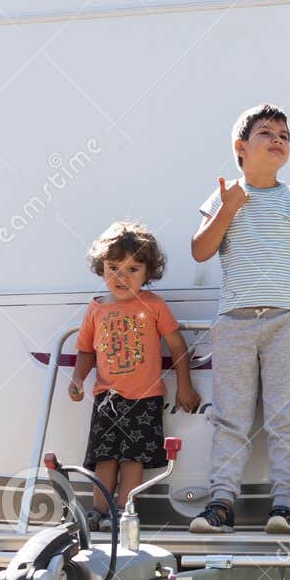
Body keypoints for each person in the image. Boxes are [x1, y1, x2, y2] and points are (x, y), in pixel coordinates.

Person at [188, 103, 290, 535]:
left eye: (284, 135)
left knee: (285, 416)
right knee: (230, 417)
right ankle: (221, 504)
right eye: (266, 132)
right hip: (234, 322)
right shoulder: (223, 200)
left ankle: (284, 506)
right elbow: (200, 251)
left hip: (289, 321)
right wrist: (228, 209)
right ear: (240, 147)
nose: (278, 139)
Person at [69, 221, 201, 531]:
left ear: (148, 272)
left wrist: (184, 385)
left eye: (132, 269)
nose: (121, 277)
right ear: (101, 268)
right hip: (107, 397)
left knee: (132, 460)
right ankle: (97, 511)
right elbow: (86, 350)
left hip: (145, 398)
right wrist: (77, 379)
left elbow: (177, 345)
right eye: (113, 267)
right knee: (104, 458)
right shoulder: (95, 310)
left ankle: (121, 511)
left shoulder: (154, 305)